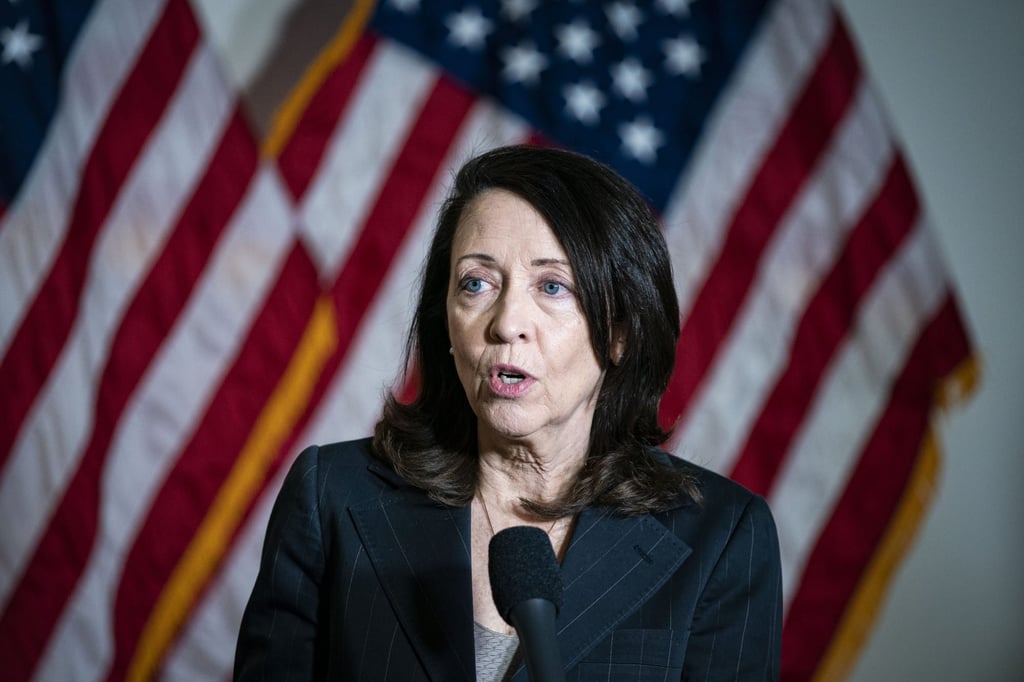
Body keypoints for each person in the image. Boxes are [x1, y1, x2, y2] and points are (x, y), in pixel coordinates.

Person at [234, 145, 782, 681]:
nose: (506, 321)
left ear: (619, 334)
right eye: (476, 283)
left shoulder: (721, 540)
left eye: (552, 286)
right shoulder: (332, 495)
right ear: (446, 323)